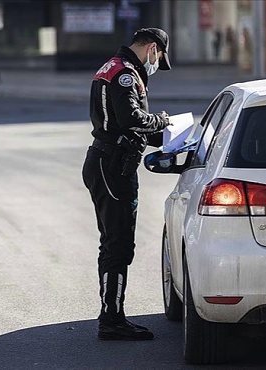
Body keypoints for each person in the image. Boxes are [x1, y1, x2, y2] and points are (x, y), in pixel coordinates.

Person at [82, 28, 172, 341]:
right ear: (152, 48)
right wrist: (162, 120)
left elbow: (129, 126)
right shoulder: (124, 73)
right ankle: (112, 319)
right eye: (158, 58)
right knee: (117, 244)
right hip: (112, 166)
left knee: (115, 242)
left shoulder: (116, 67)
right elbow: (132, 118)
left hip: (110, 162)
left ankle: (113, 316)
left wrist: (166, 137)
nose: (156, 65)